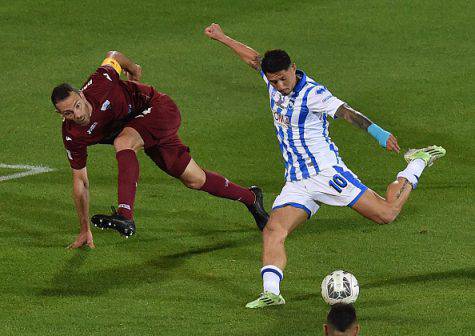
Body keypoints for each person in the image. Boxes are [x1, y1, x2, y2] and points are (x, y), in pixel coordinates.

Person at [204, 23, 446, 308]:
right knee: (273, 230)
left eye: (283, 79)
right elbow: (252, 58)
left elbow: (346, 113)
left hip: (326, 173)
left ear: (294, 68)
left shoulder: (313, 93)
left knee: (387, 214)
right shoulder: (270, 77)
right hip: (297, 180)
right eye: (274, 82)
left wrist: (379, 134)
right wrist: (221, 37)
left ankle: (416, 163)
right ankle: (271, 293)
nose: (280, 86)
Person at [51, 51, 269, 249]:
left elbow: (114, 56)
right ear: (60, 114)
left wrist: (134, 69)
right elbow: (80, 181)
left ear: (81, 94)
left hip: (158, 108)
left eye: (77, 106)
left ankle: (125, 213)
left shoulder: (100, 83)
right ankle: (251, 198)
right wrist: (84, 228)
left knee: (123, 142)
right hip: (142, 129)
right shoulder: (72, 135)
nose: (77, 115)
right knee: (195, 179)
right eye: (68, 113)